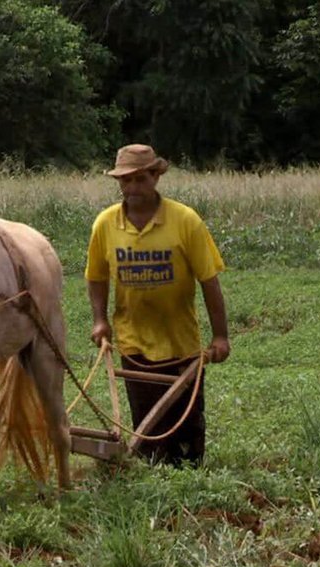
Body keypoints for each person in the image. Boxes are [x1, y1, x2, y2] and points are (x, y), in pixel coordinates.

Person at [85, 144, 230, 466]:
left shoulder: (185, 220)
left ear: (156, 177)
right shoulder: (105, 224)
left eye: (140, 179)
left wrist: (220, 336)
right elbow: (96, 277)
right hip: (133, 342)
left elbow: (209, 281)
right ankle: (153, 470)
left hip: (181, 342)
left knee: (187, 427)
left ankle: (189, 474)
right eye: (126, 180)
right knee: (146, 424)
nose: (133, 187)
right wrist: (99, 320)